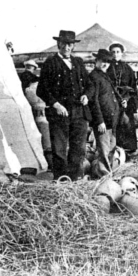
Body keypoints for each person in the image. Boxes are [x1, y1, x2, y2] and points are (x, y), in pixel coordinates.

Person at [37, 30, 92, 180]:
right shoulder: (50, 63)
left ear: (73, 46)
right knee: (59, 149)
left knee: (78, 148)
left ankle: (75, 180)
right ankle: (61, 180)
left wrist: (87, 95)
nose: (67, 47)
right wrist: (56, 104)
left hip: (79, 112)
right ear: (58, 44)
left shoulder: (78, 62)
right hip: (60, 113)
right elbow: (41, 89)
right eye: (64, 44)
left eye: (70, 44)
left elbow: (89, 84)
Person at [88, 49, 120, 177]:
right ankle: (104, 176)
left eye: (107, 61)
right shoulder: (94, 77)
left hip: (111, 119)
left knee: (111, 148)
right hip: (103, 121)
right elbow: (94, 101)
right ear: (96, 61)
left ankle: (109, 173)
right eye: (102, 61)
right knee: (104, 150)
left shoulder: (105, 75)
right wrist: (99, 121)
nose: (105, 64)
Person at [106, 42, 138, 153]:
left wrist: (128, 99)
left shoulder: (127, 68)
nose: (115, 54)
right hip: (111, 100)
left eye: (118, 52)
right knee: (114, 125)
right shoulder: (107, 67)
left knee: (126, 123)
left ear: (122, 53)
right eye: (113, 52)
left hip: (126, 100)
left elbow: (133, 86)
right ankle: (115, 150)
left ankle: (128, 150)